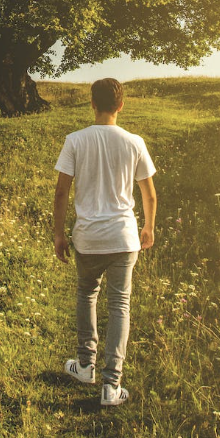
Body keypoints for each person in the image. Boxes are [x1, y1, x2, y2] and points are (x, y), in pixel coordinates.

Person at [53, 77, 157, 406]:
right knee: (119, 305)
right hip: (124, 236)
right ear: (121, 105)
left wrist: (58, 233)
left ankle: (85, 366)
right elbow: (149, 193)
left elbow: (61, 191)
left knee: (87, 294)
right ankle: (112, 386)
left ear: (92, 104)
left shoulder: (75, 140)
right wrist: (149, 227)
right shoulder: (134, 142)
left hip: (88, 237)